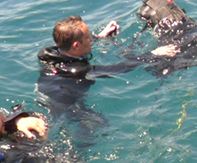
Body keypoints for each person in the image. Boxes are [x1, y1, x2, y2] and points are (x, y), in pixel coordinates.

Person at [36, 15, 177, 139]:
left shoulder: (49, 53)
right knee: (99, 124)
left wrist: (101, 37)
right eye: (88, 37)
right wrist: (152, 54)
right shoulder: (78, 70)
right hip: (67, 105)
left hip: (46, 93)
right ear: (76, 45)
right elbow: (118, 69)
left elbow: (76, 49)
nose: (91, 38)